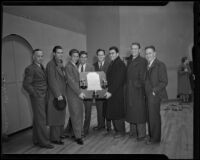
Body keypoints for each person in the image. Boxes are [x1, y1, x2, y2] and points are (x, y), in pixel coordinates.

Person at [23, 49, 54, 149]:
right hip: (38, 98)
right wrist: (35, 95)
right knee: (41, 119)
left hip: (44, 96)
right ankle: (44, 142)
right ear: (33, 57)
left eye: (41, 56)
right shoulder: (30, 68)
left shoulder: (41, 67)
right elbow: (26, 84)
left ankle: (36, 139)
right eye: (38, 56)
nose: (40, 58)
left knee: (37, 118)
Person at [144, 45, 168, 145]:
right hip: (148, 96)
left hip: (154, 95)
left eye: (150, 53)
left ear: (155, 53)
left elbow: (164, 81)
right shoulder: (147, 65)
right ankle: (151, 136)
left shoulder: (160, 65)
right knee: (150, 117)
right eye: (146, 53)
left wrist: (154, 91)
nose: (148, 55)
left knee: (154, 117)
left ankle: (155, 139)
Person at [125, 43, 148, 141]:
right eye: (132, 48)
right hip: (130, 90)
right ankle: (133, 132)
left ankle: (141, 134)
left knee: (139, 112)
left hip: (138, 90)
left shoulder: (142, 61)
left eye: (136, 49)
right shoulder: (130, 60)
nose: (133, 50)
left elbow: (143, 78)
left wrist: (135, 84)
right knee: (132, 111)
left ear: (139, 50)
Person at [46, 46, 67, 145]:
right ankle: (54, 138)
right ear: (54, 53)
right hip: (55, 95)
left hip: (62, 94)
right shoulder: (50, 64)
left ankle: (59, 134)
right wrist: (58, 94)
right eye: (58, 53)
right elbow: (51, 80)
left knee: (60, 116)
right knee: (55, 117)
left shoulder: (60, 64)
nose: (60, 54)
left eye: (61, 52)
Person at [104, 46, 126, 138]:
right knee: (114, 112)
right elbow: (111, 78)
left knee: (118, 113)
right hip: (112, 92)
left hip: (117, 93)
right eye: (110, 53)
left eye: (113, 53)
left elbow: (118, 80)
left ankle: (121, 132)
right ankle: (117, 130)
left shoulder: (120, 64)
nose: (111, 55)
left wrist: (111, 92)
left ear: (117, 54)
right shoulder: (113, 63)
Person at [64, 49, 86, 145]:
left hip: (78, 94)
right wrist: (79, 92)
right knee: (76, 115)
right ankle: (78, 137)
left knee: (79, 114)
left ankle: (76, 133)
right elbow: (71, 81)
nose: (76, 58)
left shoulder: (75, 66)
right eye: (74, 56)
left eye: (77, 56)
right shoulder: (68, 66)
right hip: (73, 94)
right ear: (70, 56)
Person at [93, 49, 110, 131]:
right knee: (99, 109)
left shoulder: (109, 64)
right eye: (99, 55)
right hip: (97, 91)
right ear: (97, 56)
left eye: (102, 55)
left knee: (107, 109)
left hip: (107, 91)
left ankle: (109, 127)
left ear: (105, 56)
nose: (100, 56)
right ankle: (100, 125)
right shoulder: (93, 66)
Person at [78, 51, 94, 137]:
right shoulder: (75, 66)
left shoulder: (91, 67)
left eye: (85, 57)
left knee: (88, 113)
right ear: (79, 58)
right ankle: (76, 129)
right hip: (78, 94)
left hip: (88, 94)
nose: (83, 59)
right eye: (82, 57)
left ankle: (85, 130)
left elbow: (93, 81)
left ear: (87, 58)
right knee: (78, 112)